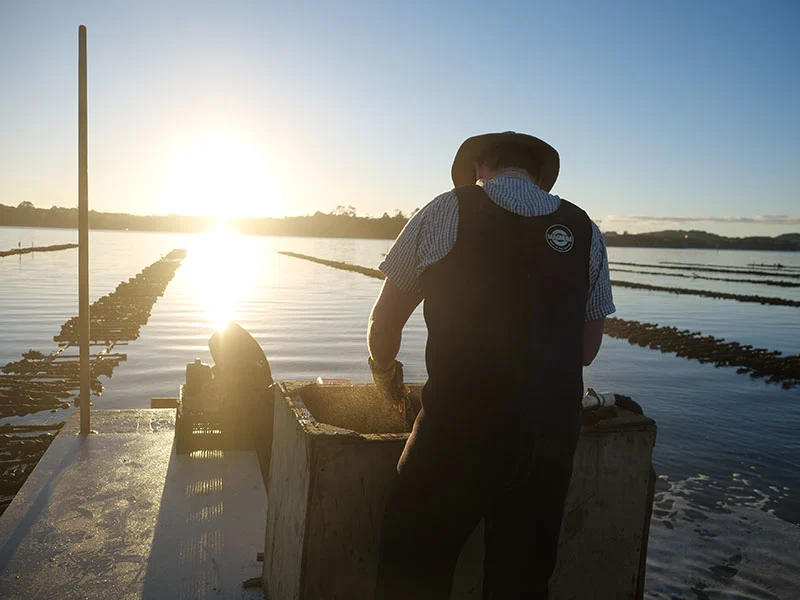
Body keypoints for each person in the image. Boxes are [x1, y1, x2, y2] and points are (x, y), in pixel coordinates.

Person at [367, 131, 615, 599]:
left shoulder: (446, 209)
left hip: (458, 433)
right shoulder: (584, 229)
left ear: (480, 168)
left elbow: (385, 322)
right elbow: (586, 350)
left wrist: (383, 371)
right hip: (550, 440)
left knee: (410, 569)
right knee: (520, 582)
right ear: (540, 178)